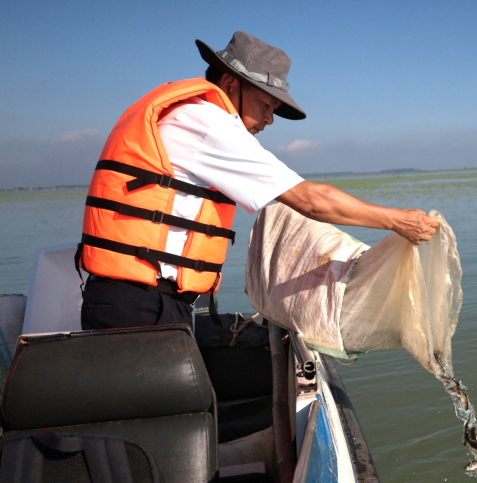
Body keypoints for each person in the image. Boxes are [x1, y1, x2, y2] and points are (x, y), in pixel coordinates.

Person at [77, 31, 439, 331]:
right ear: (230, 83)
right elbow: (312, 200)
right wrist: (396, 221)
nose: (269, 119)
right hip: (140, 306)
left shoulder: (186, 116)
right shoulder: (207, 124)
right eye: (264, 104)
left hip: (130, 301)